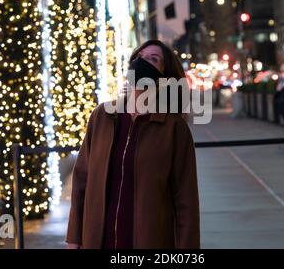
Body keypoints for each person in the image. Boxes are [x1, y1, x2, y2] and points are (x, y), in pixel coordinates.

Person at [66, 40, 200, 249]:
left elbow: (186, 202)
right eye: (140, 57)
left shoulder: (174, 128)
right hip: (99, 240)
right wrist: (74, 239)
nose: (143, 62)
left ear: (165, 78)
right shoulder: (102, 116)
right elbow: (81, 181)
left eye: (153, 59)